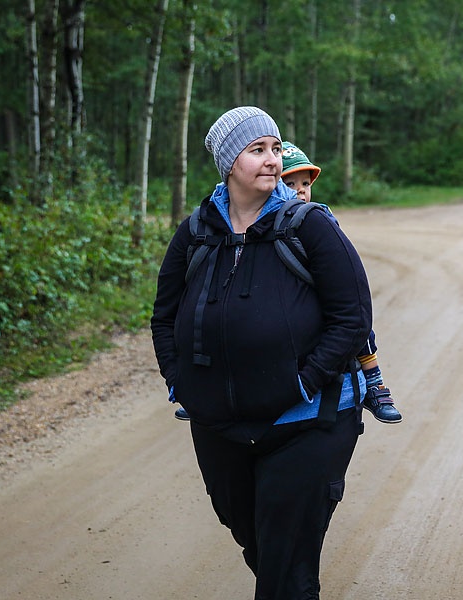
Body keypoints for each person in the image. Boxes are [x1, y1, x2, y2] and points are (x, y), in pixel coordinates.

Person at [151, 106, 372, 599]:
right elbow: (163, 316)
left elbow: (352, 316)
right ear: (230, 163)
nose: (273, 160)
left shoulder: (309, 225)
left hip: (308, 422)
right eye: (257, 150)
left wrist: (304, 382)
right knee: (256, 540)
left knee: (285, 557)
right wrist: (179, 379)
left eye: (275, 148)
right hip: (220, 427)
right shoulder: (196, 233)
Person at [280, 141, 402, 424]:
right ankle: (216, 391)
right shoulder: (258, 222)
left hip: (318, 291)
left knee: (356, 327)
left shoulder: (319, 218)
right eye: (289, 183)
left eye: (304, 183)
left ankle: (374, 383)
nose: (300, 190)